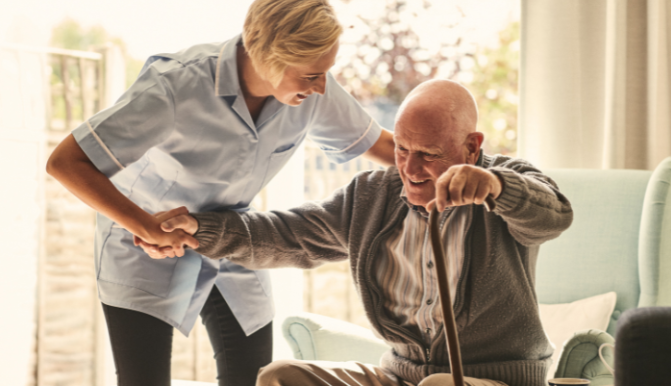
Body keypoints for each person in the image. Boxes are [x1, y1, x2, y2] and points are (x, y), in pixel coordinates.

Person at [45, 0, 396, 385]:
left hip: (233, 239)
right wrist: (145, 226)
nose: (322, 86)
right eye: (312, 75)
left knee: (254, 377)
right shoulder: (178, 85)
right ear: (269, 56)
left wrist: (459, 168)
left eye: (325, 72)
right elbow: (66, 162)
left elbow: (385, 147)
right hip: (144, 244)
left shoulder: (311, 92)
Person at [146, 80, 574, 386]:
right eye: (403, 149)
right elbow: (287, 234)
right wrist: (200, 230)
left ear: (471, 146)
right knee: (280, 378)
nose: (409, 169)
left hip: (492, 380)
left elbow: (554, 215)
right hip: (398, 377)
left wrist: (496, 188)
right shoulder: (374, 195)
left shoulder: (504, 181)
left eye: (429, 154)